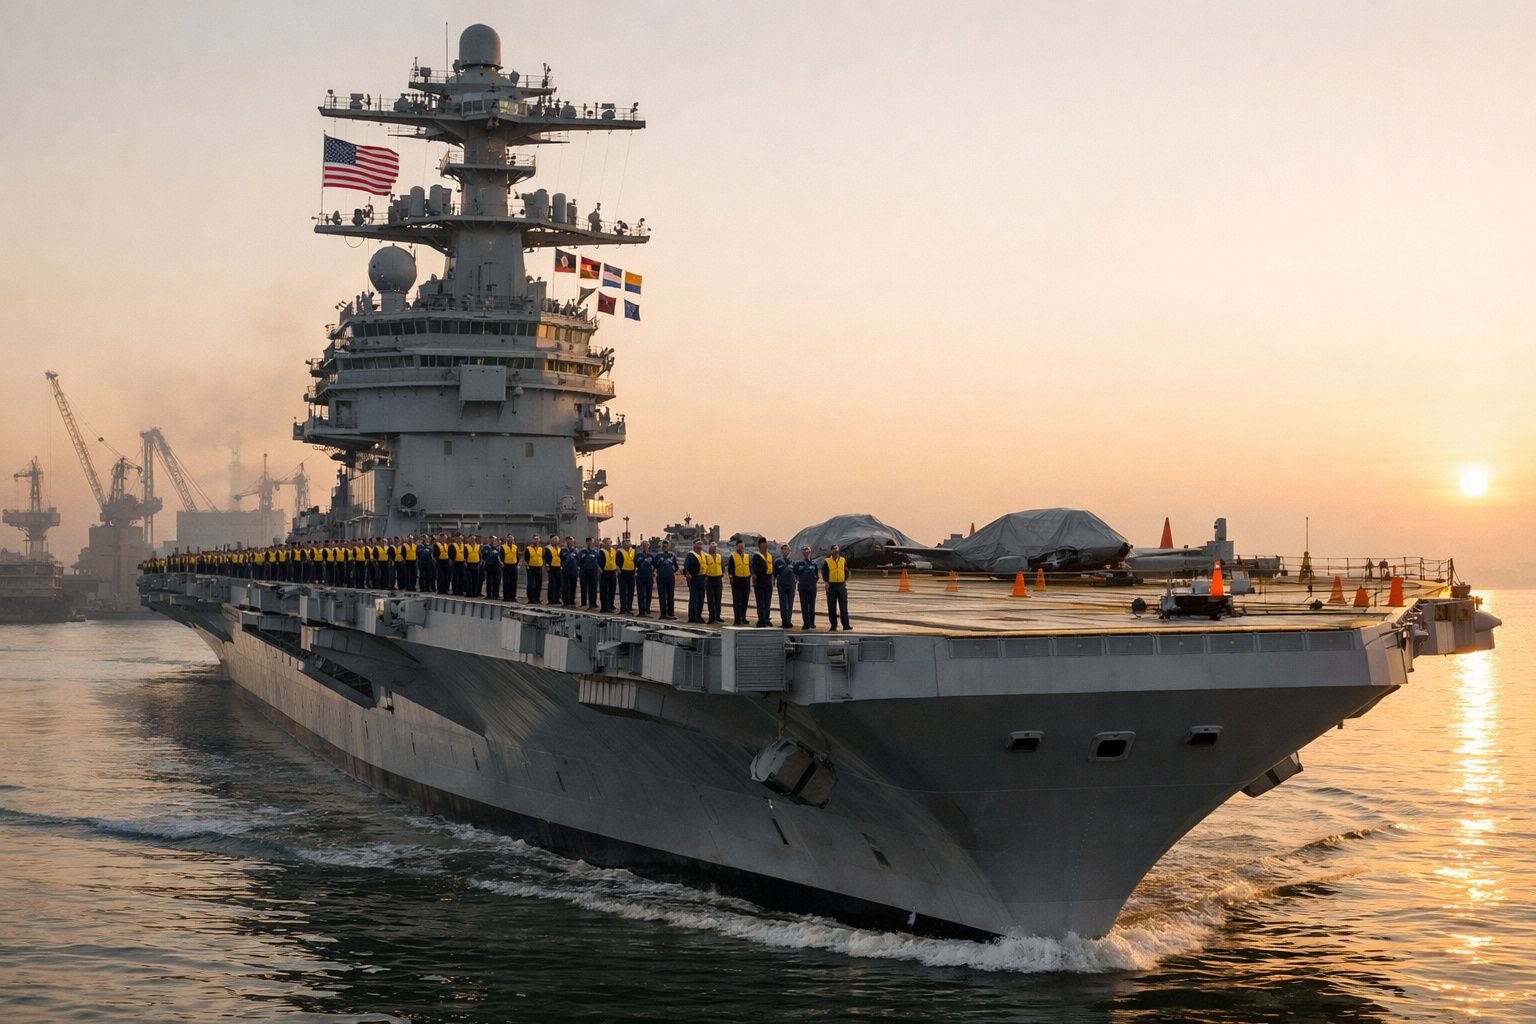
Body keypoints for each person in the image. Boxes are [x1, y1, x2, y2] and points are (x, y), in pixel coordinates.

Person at [822, 543, 851, 631]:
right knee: (831, 607)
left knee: (844, 607)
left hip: (841, 585)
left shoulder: (843, 560)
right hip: (831, 586)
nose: (835, 551)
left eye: (837, 549)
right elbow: (824, 572)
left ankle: (846, 625)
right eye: (834, 549)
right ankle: (833, 626)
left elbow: (846, 570)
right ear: (831, 551)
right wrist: (826, 582)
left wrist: (845, 579)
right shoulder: (827, 561)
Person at [749, 538, 776, 627]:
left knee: (767, 602)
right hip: (760, 581)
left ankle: (766, 619)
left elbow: (772, 568)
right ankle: (761, 620)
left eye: (765, 544)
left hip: (768, 581)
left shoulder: (769, 555)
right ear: (760, 545)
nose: (765, 546)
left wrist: (773, 580)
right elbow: (753, 568)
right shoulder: (756, 556)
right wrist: (754, 575)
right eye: (763, 544)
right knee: (761, 602)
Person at [728, 539, 752, 626]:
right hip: (736, 581)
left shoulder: (747, 556)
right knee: (737, 601)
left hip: (746, 581)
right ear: (736, 547)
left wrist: (750, 576)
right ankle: (737, 619)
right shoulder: (733, 556)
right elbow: (730, 568)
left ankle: (743, 618)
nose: (741, 548)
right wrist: (731, 576)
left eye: (742, 546)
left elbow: (750, 567)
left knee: (745, 601)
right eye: (739, 546)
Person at [794, 545, 819, 629]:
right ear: (802, 553)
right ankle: (806, 623)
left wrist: (813, 582)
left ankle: (812, 622)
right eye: (804, 552)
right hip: (803, 587)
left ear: (810, 553)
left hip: (812, 587)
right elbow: (795, 574)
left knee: (812, 605)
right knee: (804, 605)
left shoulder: (814, 564)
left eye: (807, 552)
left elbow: (817, 575)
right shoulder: (798, 564)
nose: (806, 554)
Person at [653, 539, 678, 620]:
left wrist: (671, 571)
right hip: (661, 578)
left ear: (669, 546)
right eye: (663, 546)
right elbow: (655, 565)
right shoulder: (658, 555)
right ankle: (663, 614)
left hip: (670, 578)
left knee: (671, 595)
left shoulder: (672, 555)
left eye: (666, 546)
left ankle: (671, 613)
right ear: (661, 547)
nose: (665, 547)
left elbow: (676, 566)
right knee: (662, 596)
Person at [684, 540, 706, 623]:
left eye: (701, 544)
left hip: (702, 578)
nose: (700, 546)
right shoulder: (691, 555)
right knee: (694, 599)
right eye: (698, 544)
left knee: (701, 599)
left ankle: (698, 616)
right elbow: (686, 566)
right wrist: (688, 575)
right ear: (694, 545)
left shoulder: (703, 554)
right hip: (694, 579)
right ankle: (692, 617)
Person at [774, 542, 796, 628]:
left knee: (790, 604)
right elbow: (774, 574)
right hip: (781, 585)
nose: (785, 551)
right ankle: (784, 622)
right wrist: (773, 582)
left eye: (787, 549)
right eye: (784, 549)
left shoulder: (793, 562)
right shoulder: (777, 561)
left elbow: (796, 573)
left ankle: (788, 621)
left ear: (789, 551)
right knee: (783, 604)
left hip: (791, 585)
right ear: (781, 551)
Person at [704, 540, 724, 623]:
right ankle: (711, 618)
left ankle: (718, 616)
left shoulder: (719, 556)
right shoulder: (706, 556)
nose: (714, 549)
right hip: (709, 580)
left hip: (718, 579)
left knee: (718, 599)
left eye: (715, 547)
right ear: (709, 547)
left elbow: (722, 566)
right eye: (713, 547)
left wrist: (722, 573)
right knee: (710, 599)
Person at [635, 540, 655, 617]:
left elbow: (654, 565)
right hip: (640, 577)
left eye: (646, 545)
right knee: (640, 594)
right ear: (641, 547)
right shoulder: (638, 555)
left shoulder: (650, 556)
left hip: (649, 577)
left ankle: (647, 609)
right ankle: (641, 611)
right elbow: (635, 564)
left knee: (649, 594)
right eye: (643, 546)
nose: (645, 547)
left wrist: (653, 570)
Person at [617, 538, 637, 613]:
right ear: (623, 545)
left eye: (628, 544)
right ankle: (623, 608)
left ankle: (629, 607)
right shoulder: (619, 552)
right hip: (623, 574)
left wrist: (636, 570)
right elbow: (617, 563)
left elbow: (635, 561)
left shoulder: (634, 552)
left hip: (631, 573)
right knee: (622, 591)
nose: (627, 545)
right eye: (625, 544)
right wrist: (618, 569)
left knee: (631, 591)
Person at [598, 538, 618, 612]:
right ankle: (604, 607)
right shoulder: (602, 551)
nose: (608, 544)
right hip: (604, 572)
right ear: (603, 543)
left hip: (612, 572)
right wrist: (599, 569)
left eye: (609, 543)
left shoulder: (614, 551)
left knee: (612, 589)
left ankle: (611, 605)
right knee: (604, 590)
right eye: (606, 543)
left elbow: (615, 560)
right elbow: (598, 562)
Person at [579, 537, 599, 609]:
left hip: (593, 571)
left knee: (593, 588)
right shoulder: (582, 551)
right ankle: (583, 603)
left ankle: (593, 603)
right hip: (584, 571)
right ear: (586, 542)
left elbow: (599, 560)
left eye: (591, 542)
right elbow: (579, 561)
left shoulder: (596, 551)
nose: (590, 543)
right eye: (588, 542)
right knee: (584, 587)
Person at [525, 534, 544, 603]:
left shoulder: (541, 548)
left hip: (539, 567)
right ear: (532, 540)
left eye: (537, 539)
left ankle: (537, 599)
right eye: (535, 539)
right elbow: (526, 558)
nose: (536, 540)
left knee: (538, 584)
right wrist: (527, 566)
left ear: (539, 540)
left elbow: (542, 557)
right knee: (531, 584)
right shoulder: (528, 548)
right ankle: (531, 599)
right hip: (531, 568)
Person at [561, 536, 580, 606]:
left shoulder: (576, 550)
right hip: (565, 570)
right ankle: (565, 601)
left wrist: (578, 568)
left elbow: (578, 560)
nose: (570, 542)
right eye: (568, 541)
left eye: (571, 541)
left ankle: (572, 601)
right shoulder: (563, 550)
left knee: (573, 586)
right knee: (565, 586)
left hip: (573, 571)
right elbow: (561, 558)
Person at [499, 535, 519, 600]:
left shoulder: (515, 547)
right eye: (509, 539)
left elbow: (517, 556)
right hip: (506, 566)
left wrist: (517, 564)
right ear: (507, 540)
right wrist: (501, 562)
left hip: (514, 566)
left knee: (514, 582)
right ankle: (506, 597)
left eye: (511, 540)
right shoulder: (503, 547)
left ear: (513, 540)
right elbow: (500, 556)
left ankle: (513, 597)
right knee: (506, 582)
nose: (510, 541)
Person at [546, 538, 563, 604]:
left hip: (559, 567)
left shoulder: (559, 548)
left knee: (559, 584)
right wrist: (547, 565)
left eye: (557, 540)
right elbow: (546, 558)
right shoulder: (548, 548)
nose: (555, 541)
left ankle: (557, 599)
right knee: (552, 584)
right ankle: (551, 600)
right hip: (551, 567)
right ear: (551, 540)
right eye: (554, 539)